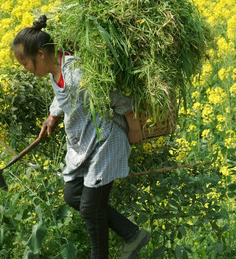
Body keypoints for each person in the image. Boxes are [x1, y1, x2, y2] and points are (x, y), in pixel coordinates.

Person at [12, 15, 151, 259]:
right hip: (85, 141)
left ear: (41, 55)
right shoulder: (57, 70)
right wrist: (53, 117)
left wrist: (134, 125)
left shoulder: (77, 72)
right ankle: (131, 233)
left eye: (26, 64)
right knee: (73, 195)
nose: (26, 69)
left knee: (89, 208)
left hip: (106, 139)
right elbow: (63, 94)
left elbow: (115, 95)